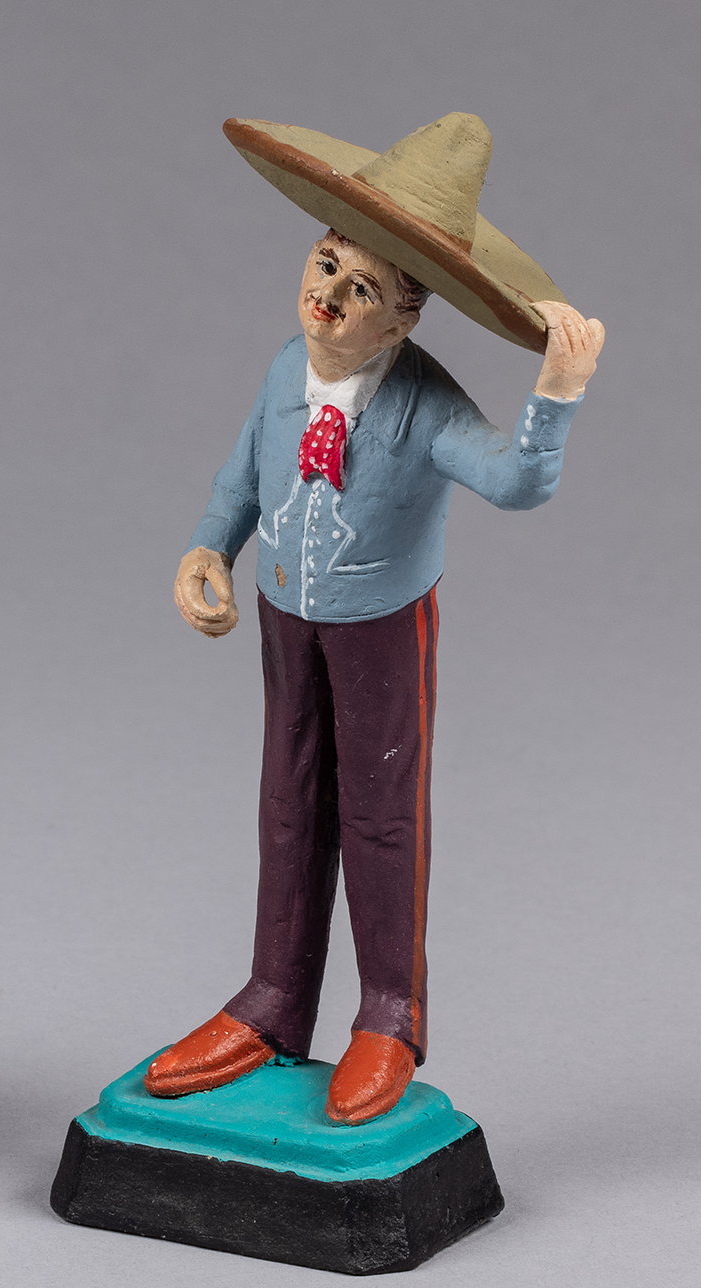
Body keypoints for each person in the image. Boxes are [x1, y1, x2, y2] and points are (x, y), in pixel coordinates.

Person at [143, 116, 604, 1124]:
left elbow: (516, 482)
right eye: (325, 266)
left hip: (381, 626)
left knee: (382, 814)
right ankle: (273, 998)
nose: (328, 298)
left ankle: (391, 1014)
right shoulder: (285, 369)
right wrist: (207, 548)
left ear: (403, 320)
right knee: (287, 799)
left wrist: (556, 397)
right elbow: (243, 472)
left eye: (361, 291)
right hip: (285, 616)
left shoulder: (425, 406)